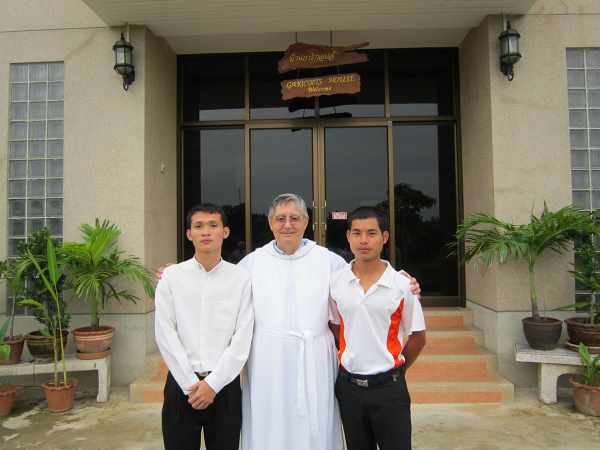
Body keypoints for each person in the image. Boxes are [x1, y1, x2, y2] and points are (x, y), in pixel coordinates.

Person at [155, 193, 422, 450]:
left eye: (295, 218)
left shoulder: (330, 262)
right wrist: (173, 272)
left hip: (315, 361)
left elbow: (360, 280)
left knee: (315, 428)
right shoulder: (251, 263)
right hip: (267, 364)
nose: (287, 225)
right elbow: (215, 280)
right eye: (280, 218)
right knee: (269, 427)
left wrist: (404, 281)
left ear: (306, 222)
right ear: (270, 223)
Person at [155, 203, 253, 450]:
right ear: (189, 234)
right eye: (198, 226)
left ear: (225, 232)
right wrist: (190, 383)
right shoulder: (172, 278)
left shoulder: (240, 279)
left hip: (225, 387)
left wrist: (213, 384)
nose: (206, 231)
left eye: (213, 225)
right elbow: (165, 333)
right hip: (181, 386)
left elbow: (242, 337)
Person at [329, 206, 426, 450]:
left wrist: (395, 369)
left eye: (371, 233)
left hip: (389, 389)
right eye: (357, 233)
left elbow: (417, 337)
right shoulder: (336, 282)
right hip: (349, 389)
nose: (364, 240)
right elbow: (335, 327)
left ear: (384, 237)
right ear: (348, 237)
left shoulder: (402, 284)